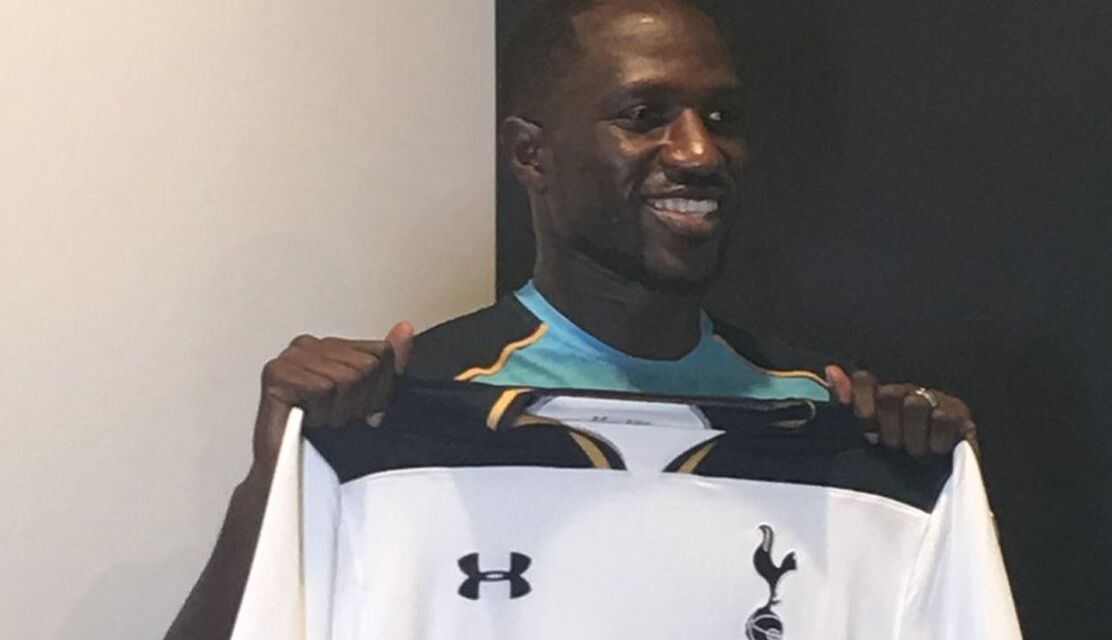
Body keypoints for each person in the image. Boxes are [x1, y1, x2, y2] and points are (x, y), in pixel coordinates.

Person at [165, 0, 978, 637]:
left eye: (722, 118)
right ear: (531, 154)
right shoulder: (398, 417)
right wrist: (276, 480)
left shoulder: (825, 426)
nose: (698, 152)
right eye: (644, 114)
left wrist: (923, 472)